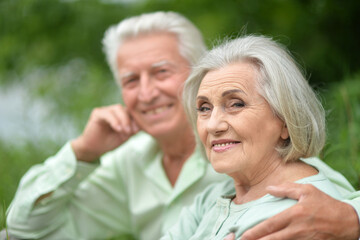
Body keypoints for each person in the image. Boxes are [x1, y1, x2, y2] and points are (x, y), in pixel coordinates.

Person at [4, 11, 360, 240]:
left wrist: (353, 219)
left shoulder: (280, 177)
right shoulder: (139, 167)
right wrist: (83, 152)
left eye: (161, 72)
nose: (146, 93)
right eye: (130, 80)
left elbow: (329, 198)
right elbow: (23, 231)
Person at [161, 35, 360, 240]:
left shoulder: (303, 217)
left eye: (236, 104)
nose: (212, 124)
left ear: (285, 120)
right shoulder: (212, 198)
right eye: (204, 108)